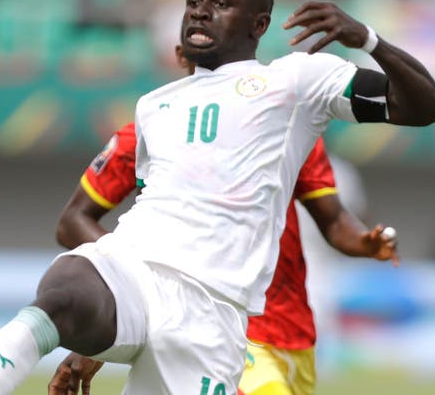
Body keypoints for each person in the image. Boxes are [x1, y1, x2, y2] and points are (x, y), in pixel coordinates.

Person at [0, 0, 435, 395]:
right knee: (63, 292)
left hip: (211, 314)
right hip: (136, 270)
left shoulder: (296, 81)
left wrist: (368, 40)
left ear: (258, 24)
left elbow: (423, 106)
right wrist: (92, 347)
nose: (200, 10)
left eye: (220, 2)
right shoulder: (152, 107)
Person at [48, 123, 398, 395]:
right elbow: (72, 222)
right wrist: (137, 284)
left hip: (295, 318)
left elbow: (335, 219)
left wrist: (364, 242)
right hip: (223, 322)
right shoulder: (154, 125)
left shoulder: (286, 126)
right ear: (181, 55)